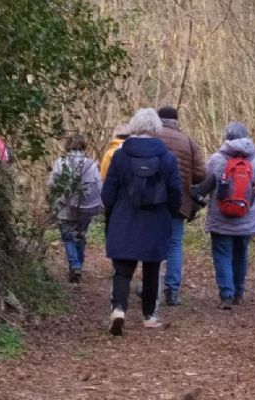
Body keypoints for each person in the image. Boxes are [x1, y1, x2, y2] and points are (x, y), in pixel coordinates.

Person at [101, 108, 184, 335]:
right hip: (155, 220)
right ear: (156, 128)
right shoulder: (167, 158)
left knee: (122, 270)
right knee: (152, 269)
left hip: (124, 218)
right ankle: (149, 316)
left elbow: (108, 193)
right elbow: (176, 192)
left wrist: (112, 210)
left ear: (134, 126)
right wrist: (171, 210)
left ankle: (118, 309)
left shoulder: (120, 156)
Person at [191, 122, 255, 309]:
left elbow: (204, 186)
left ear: (226, 137)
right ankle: (238, 293)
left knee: (222, 254)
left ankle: (226, 295)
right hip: (246, 218)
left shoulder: (217, 159)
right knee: (241, 254)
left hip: (221, 218)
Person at [151, 106, 206, 306]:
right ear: (176, 121)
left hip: (151, 201)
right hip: (179, 201)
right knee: (174, 245)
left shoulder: (150, 138)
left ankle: (151, 286)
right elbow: (201, 174)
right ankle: (172, 291)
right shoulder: (188, 142)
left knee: (152, 242)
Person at [49, 135, 103, 283]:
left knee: (68, 237)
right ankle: (78, 264)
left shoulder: (60, 162)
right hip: (85, 207)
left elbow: (53, 184)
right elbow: (98, 185)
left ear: (68, 146)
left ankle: (75, 265)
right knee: (80, 235)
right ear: (84, 146)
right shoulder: (91, 164)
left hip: (64, 206)